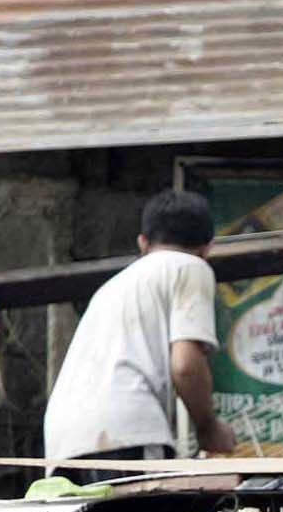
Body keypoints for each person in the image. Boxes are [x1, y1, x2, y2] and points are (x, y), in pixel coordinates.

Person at [41, 188, 238, 463]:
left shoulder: (113, 287)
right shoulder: (190, 267)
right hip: (125, 430)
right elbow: (185, 366)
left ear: (143, 244)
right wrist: (209, 428)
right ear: (207, 248)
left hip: (63, 438)